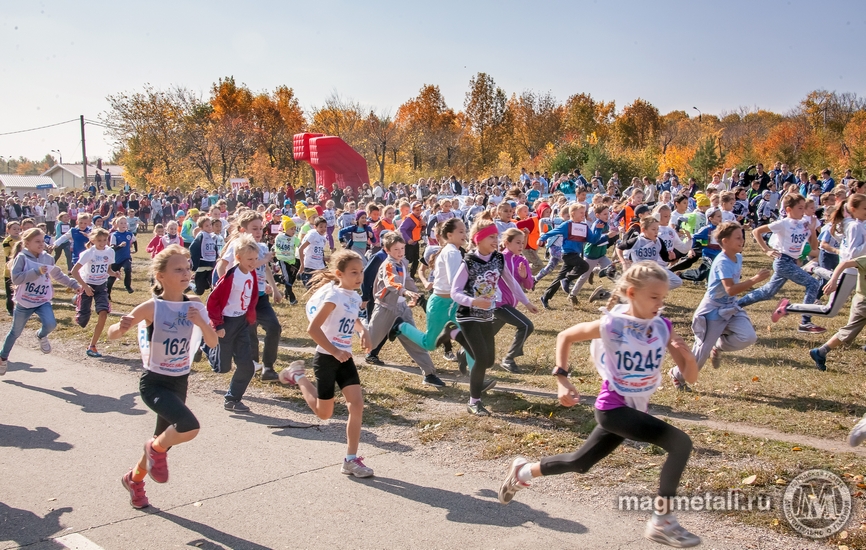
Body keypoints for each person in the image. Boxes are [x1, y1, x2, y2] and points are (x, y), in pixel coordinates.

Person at [496, 261, 701, 548]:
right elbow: (565, 335)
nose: (660, 304)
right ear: (631, 293)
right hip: (613, 409)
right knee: (680, 443)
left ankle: (523, 471)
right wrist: (562, 379)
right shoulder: (612, 324)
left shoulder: (662, 326)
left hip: (634, 411)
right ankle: (662, 521)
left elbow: (690, 377)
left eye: (663, 298)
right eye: (654, 297)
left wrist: (689, 358)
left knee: (580, 463)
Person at [109, 245, 218, 509]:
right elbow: (113, 333)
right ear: (160, 276)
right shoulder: (152, 307)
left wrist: (202, 323)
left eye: (187, 268)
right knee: (187, 427)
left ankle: (133, 480)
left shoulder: (194, 304)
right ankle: (153, 450)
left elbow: (213, 343)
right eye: (178, 269)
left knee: (162, 445)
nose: (186, 274)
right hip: (155, 383)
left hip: (180, 381)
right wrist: (120, 326)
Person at [279, 250, 375, 478]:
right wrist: (334, 350)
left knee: (357, 405)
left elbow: (353, 318)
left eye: (361, 272)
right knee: (324, 414)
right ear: (339, 274)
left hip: (345, 358)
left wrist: (363, 331)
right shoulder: (333, 297)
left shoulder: (352, 296)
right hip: (326, 358)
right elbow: (312, 329)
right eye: (353, 272)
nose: (359, 276)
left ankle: (351, 460)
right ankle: (298, 376)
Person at [451, 213, 536, 416]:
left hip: (487, 315)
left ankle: (454, 335)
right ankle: (474, 402)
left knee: (489, 360)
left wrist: (526, 302)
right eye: (491, 237)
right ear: (478, 238)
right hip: (468, 314)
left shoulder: (498, 259)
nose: (496, 241)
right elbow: (455, 291)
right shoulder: (469, 261)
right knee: (481, 359)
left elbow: (511, 282)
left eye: (497, 237)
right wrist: (473, 301)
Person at [669, 222, 771, 390]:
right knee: (699, 357)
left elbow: (731, 293)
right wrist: (754, 280)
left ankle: (717, 346)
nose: (742, 241)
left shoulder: (738, 257)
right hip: (712, 311)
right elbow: (730, 289)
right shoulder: (722, 261)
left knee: (748, 336)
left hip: (730, 308)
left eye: (742, 237)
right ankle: (677, 374)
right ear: (725, 242)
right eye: (737, 238)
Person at [364, 233, 445, 387]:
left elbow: (407, 280)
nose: (400, 252)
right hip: (385, 309)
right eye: (396, 249)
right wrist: (405, 292)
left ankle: (429, 374)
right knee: (370, 344)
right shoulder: (388, 264)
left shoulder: (402, 263)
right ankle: (360, 324)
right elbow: (391, 283)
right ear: (387, 250)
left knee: (415, 341)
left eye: (402, 248)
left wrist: (416, 293)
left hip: (402, 309)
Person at [736, 194, 824, 333]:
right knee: (813, 283)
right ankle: (805, 322)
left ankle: (735, 305)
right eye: (800, 208)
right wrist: (767, 250)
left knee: (768, 292)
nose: (803, 211)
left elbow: (814, 246)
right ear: (788, 209)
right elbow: (756, 231)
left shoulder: (803, 224)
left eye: (804, 208)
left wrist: (812, 230)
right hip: (783, 261)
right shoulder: (783, 223)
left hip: (792, 262)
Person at [0, 228, 81, 373]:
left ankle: (41, 335)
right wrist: (36, 272)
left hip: (42, 299)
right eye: (37, 241)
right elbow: (16, 278)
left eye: (42, 241)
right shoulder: (22, 258)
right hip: (24, 302)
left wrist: (74, 285)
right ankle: (3, 358)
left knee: (50, 324)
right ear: (27, 243)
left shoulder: (47, 258)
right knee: (15, 332)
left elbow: (58, 275)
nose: (41, 244)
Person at [206, 234, 259, 411]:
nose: (253, 262)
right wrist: (218, 325)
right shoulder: (230, 277)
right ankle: (205, 345)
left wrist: (250, 315)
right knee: (222, 367)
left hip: (242, 323)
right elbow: (213, 301)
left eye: (255, 259)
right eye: (249, 259)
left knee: (247, 366)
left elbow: (251, 295)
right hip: (226, 323)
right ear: (238, 258)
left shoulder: (251, 274)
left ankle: (232, 399)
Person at [809, 252, 866, 372]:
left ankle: (820, 351)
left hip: (859, 301)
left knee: (849, 331)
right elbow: (844, 263)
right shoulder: (864, 260)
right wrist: (833, 280)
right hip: (863, 302)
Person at [491, 228, 537, 373]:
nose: (521, 246)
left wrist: (524, 276)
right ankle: (509, 359)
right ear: (506, 243)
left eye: (522, 243)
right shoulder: (499, 258)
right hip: (498, 304)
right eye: (517, 242)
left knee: (486, 333)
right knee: (526, 325)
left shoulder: (522, 260)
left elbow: (529, 286)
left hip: (509, 304)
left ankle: (463, 353)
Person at [71, 228, 120, 358]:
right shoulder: (89, 253)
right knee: (82, 321)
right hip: (88, 285)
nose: (102, 243)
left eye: (105, 240)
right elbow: (74, 271)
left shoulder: (110, 251)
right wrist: (85, 286)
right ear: (92, 240)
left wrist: (114, 274)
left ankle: (92, 345)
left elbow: (108, 270)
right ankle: (78, 299)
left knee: (103, 312)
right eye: (99, 240)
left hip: (101, 286)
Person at [107, 216, 136, 298]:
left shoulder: (129, 234)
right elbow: (112, 248)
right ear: (117, 225)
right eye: (121, 223)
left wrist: (135, 250)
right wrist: (119, 246)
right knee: (112, 276)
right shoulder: (114, 235)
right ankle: (107, 292)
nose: (124, 224)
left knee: (128, 269)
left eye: (125, 223)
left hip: (126, 257)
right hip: (116, 259)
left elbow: (135, 240)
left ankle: (128, 286)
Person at [273, 217, 300, 305]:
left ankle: (274, 277)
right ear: (286, 229)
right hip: (282, 260)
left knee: (291, 278)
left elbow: (301, 247)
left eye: (295, 229)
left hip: (291, 261)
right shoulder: (279, 237)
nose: (293, 231)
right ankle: (292, 298)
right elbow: (275, 247)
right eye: (291, 229)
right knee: (287, 278)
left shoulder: (295, 239)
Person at [3, 221, 22, 315]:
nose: (17, 231)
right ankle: (10, 309)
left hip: (22, 269)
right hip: (9, 271)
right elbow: (9, 255)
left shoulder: (22, 239)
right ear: (8, 230)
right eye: (14, 229)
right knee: (10, 291)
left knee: (21, 290)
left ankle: (22, 308)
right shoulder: (7, 241)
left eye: (18, 229)